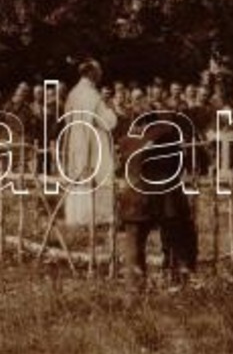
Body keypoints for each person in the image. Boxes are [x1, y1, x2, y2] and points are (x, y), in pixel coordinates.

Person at [117, 108, 197, 286]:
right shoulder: (166, 139)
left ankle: (135, 283)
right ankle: (175, 276)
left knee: (134, 243)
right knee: (173, 239)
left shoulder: (126, 142)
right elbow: (180, 164)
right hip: (164, 199)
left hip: (134, 200)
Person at [61, 59, 117, 227]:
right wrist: (111, 112)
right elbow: (108, 121)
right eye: (98, 71)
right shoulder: (93, 96)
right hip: (94, 141)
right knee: (98, 174)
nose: (101, 75)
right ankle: (96, 217)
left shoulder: (73, 93)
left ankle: (77, 217)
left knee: (79, 175)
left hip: (76, 140)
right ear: (91, 73)